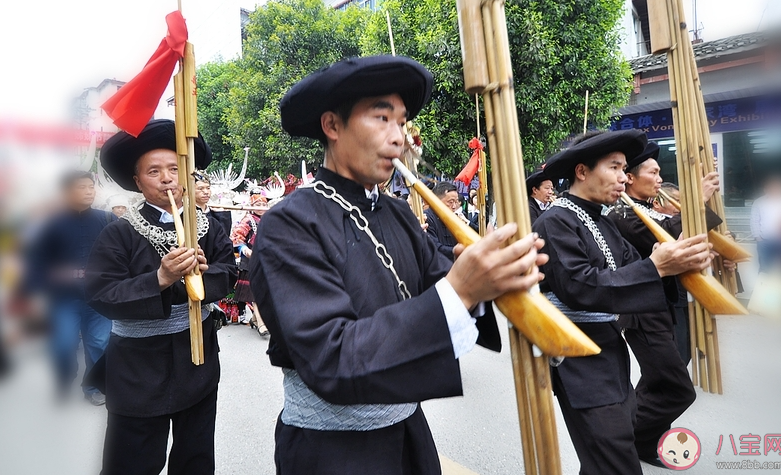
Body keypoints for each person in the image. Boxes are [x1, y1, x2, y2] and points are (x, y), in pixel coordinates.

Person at [248, 55, 546, 475]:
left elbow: (438, 280)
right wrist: (460, 289)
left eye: (402, 122)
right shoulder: (289, 223)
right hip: (330, 452)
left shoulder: (399, 213)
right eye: (382, 119)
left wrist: (492, 276)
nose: (399, 138)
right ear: (332, 127)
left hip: (409, 432)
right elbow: (329, 353)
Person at [534, 130, 714, 475]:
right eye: (615, 168)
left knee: (606, 455)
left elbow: (638, 267)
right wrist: (656, 266)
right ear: (582, 171)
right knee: (614, 456)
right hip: (576, 355)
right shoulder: (555, 221)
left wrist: (674, 265)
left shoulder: (601, 220)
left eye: (624, 169)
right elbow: (580, 287)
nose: (622, 178)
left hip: (609, 350)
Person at [85, 119, 237, 475]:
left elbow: (229, 272)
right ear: (137, 182)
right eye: (154, 171)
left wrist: (205, 274)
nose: (167, 178)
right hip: (137, 369)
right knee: (133, 461)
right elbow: (101, 292)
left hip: (196, 359)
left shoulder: (205, 225)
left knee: (195, 457)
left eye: (174, 168)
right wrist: (160, 278)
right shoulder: (118, 232)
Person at [603, 141, 724, 466]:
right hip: (643, 312)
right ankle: (620, 439)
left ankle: (646, 443)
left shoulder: (651, 207)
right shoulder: (622, 213)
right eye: (653, 172)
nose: (659, 178)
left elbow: (678, 242)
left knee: (659, 379)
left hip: (667, 304)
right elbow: (666, 238)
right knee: (677, 388)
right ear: (629, 178)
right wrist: (696, 200)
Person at [26, 171, 114, 405]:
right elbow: (36, 260)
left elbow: (123, 254)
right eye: (81, 187)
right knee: (64, 344)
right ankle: (65, 375)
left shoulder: (107, 220)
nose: (89, 192)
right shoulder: (51, 224)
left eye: (91, 187)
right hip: (64, 299)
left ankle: (93, 386)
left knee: (100, 343)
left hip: (99, 297)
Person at [230, 192, 268, 336]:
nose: (261, 207)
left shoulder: (270, 219)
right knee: (255, 293)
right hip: (251, 260)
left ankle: (254, 319)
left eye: (264, 204)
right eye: (258, 205)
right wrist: (243, 248)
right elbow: (237, 236)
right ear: (251, 206)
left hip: (267, 260)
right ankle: (261, 323)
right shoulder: (248, 219)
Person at [425, 181, 478, 260]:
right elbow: (434, 247)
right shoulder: (427, 218)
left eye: (456, 202)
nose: (454, 206)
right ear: (436, 201)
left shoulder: (454, 218)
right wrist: (458, 250)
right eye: (450, 202)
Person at [750, 175, 781, 272]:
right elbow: (754, 220)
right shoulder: (758, 202)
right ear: (766, 189)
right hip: (765, 241)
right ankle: (764, 286)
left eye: (777, 186)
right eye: (771, 187)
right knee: (765, 268)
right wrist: (758, 238)